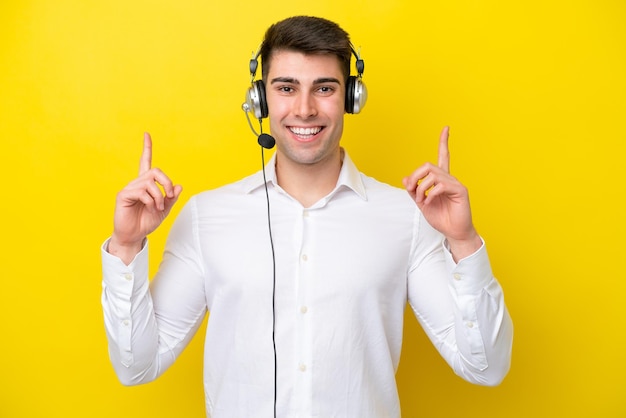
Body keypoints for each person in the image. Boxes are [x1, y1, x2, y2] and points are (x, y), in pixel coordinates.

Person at [101, 15, 513, 418]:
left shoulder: (408, 217)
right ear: (260, 98)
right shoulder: (206, 216)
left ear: (352, 97)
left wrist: (462, 241)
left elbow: (486, 368)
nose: (304, 108)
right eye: (286, 87)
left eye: (324, 88)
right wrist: (126, 246)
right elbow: (137, 365)